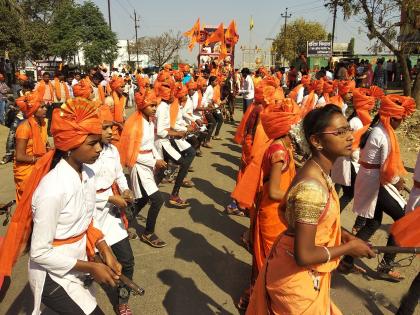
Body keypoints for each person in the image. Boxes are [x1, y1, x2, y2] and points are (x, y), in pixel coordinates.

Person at [246, 105, 376, 315]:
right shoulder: (312, 189)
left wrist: (345, 236)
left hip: (300, 273)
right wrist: (349, 249)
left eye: (348, 130)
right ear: (316, 141)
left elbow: (316, 220)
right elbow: (304, 255)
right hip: (295, 280)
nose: (350, 136)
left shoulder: (319, 171)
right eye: (340, 132)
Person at [0, 97, 122, 315]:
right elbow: (39, 253)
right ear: (70, 147)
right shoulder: (52, 189)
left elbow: (87, 221)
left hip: (78, 263)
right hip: (52, 275)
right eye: (92, 143)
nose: (99, 149)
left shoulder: (89, 173)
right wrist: (92, 267)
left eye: (99, 143)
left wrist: (105, 249)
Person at [340, 95, 416, 280]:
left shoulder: (380, 130)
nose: (401, 123)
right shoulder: (382, 135)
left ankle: (347, 260)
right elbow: (387, 168)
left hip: (371, 179)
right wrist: (397, 181)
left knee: (373, 222)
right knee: (403, 219)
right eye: (399, 119)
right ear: (390, 117)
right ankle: (386, 265)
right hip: (375, 182)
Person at [88, 104, 136, 315]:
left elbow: (119, 175)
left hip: (111, 213)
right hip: (90, 217)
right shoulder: (85, 155)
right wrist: (109, 197)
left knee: (127, 260)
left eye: (112, 127)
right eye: (105, 127)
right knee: (92, 268)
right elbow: (83, 193)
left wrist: (125, 191)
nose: (111, 131)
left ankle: (123, 300)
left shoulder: (112, 150)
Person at [119, 90, 168, 247]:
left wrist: (157, 158)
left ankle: (123, 223)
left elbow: (151, 144)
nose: (154, 108)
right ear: (142, 106)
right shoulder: (134, 124)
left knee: (144, 199)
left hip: (147, 163)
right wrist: (154, 163)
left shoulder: (149, 121)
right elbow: (132, 153)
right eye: (151, 105)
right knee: (157, 199)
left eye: (155, 105)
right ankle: (148, 233)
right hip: (139, 166)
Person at [155, 82, 195, 207]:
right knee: (183, 163)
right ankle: (174, 195)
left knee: (162, 171)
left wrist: (180, 131)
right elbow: (161, 131)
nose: (174, 95)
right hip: (162, 143)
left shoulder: (166, 106)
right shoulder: (162, 107)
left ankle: (149, 193)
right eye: (172, 93)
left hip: (166, 141)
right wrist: (177, 133)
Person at [13, 92, 48, 202]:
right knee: (27, 203)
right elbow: (19, 156)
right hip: (27, 171)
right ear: (33, 110)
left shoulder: (42, 124)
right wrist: (39, 160)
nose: (45, 109)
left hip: (39, 167)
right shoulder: (24, 128)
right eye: (41, 107)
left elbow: (45, 145)